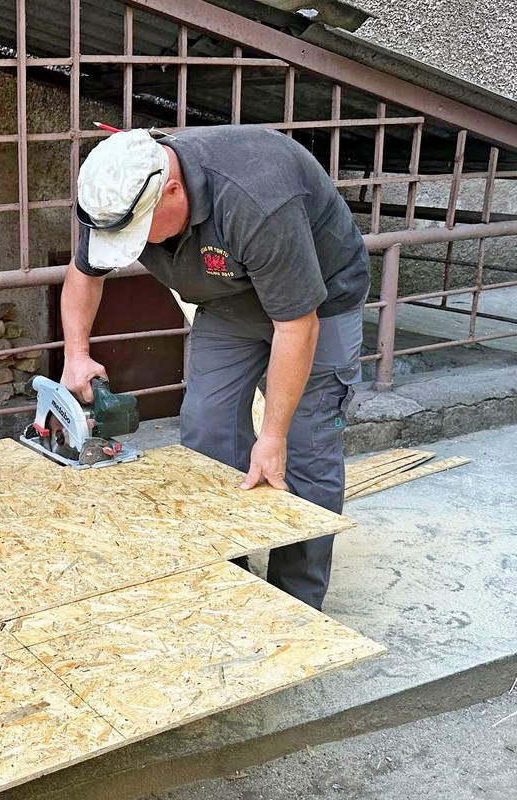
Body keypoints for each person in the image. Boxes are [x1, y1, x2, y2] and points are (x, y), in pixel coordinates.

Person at [61, 126, 369, 610]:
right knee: (206, 429)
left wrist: (271, 436)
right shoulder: (117, 189)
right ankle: (228, 577)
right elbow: (84, 273)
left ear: (174, 190)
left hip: (318, 305)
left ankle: (297, 602)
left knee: (304, 448)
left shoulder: (256, 199)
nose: (134, 246)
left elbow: (296, 326)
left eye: (139, 234)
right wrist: (75, 353)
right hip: (227, 302)